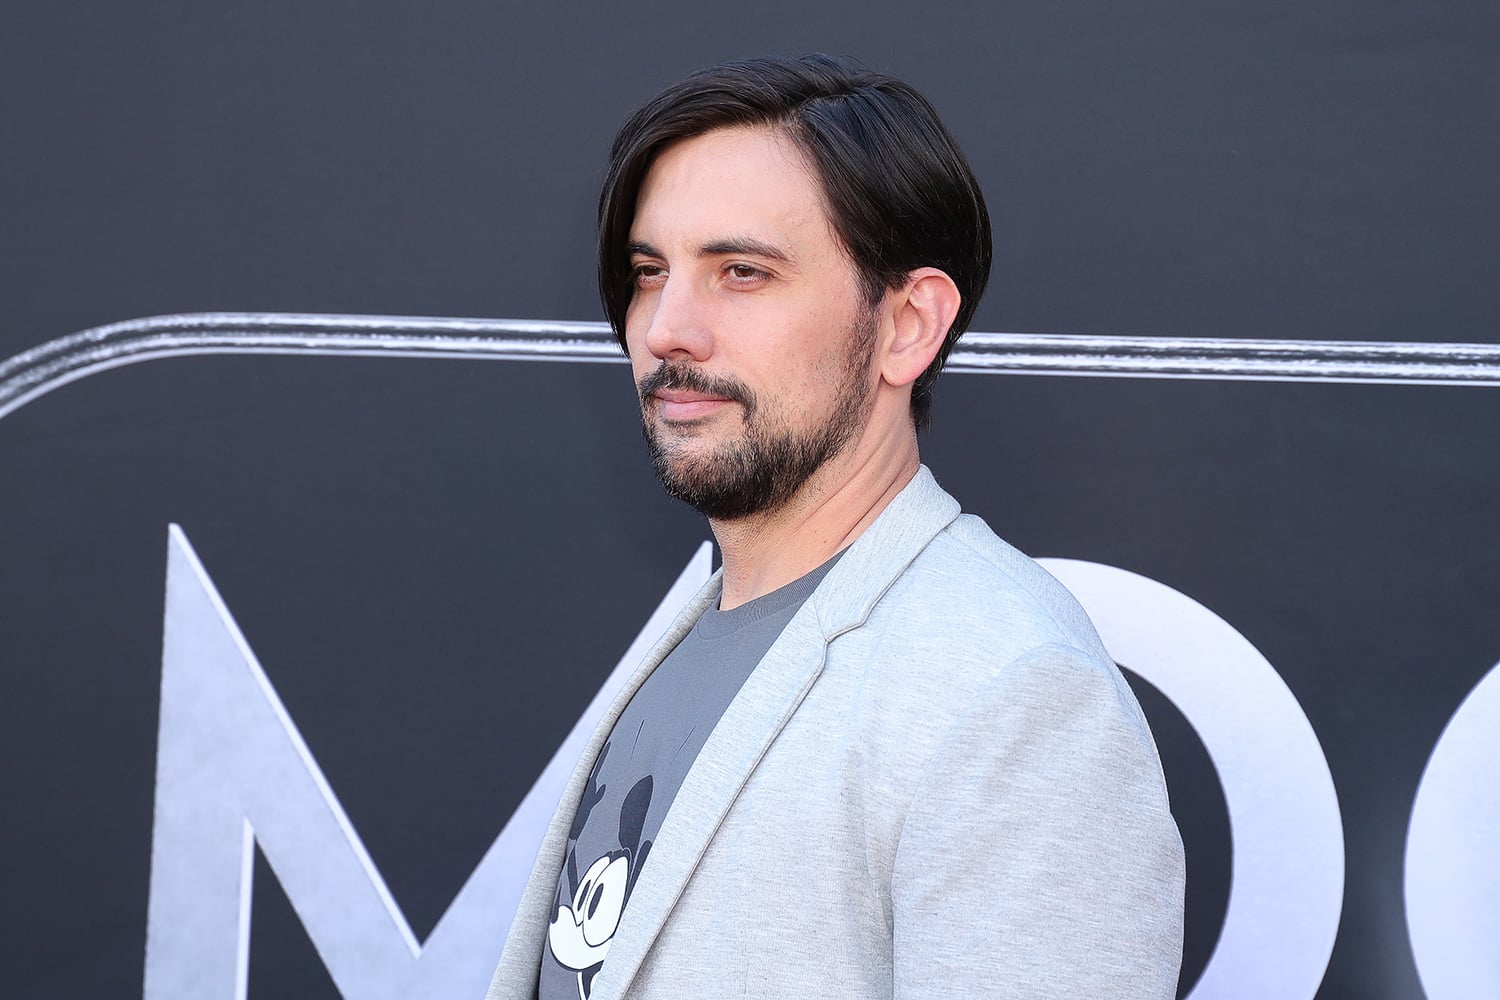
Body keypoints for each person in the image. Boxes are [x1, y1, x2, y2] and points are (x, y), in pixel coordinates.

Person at [486, 54, 1184, 1000]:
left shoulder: (1010, 692)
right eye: (650, 273)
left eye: (742, 272)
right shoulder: (698, 639)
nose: (664, 329)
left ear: (908, 325)